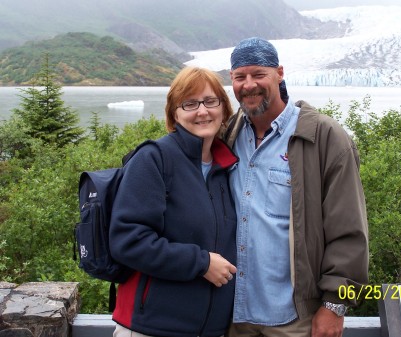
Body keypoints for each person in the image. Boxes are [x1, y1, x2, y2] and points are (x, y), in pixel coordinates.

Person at [223, 37, 369, 337]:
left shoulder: (324, 137)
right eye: (240, 77)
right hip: (234, 316)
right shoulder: (228, 134)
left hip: (295, 320)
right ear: (232, 80)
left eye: (258, 74)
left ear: (279, 73)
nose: (249, 85)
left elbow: (349, 230)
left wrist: (335, 305)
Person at [109, 66, 239, 337]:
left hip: (211, 330)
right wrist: (201, 263)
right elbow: (128, 241)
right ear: (174, 114)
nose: (202, 111)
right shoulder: (154, 159)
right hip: (151, 328)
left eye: (210, 101)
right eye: (190, 103)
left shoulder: (225, 169)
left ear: (224, 109)